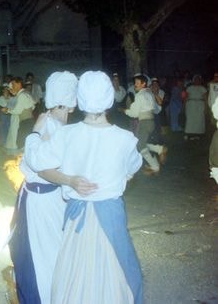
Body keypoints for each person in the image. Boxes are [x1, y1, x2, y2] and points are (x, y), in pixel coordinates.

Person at [34, 71, 143, 303]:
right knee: (116, 273)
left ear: (80, 101)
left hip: (76, 217)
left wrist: (70, 180)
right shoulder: (125, 138)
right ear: (110, 100)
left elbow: (40, 166)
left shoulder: (67, 134)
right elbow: (132, 169)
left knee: (74, 273)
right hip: (110, 215)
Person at [9, 71, 78, 304]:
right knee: (41, 255)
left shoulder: (58, 123)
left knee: (56, 252)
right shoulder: (48, 124)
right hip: (41, 201)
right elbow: (39, 166)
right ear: (71, 101)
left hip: (55, 199)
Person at [123, 74, 167, 175]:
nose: (135, 85)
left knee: (140, 146)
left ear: (144, 84)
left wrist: (125, 111)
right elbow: (156, 109)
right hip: (151, 122)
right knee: (142, 142)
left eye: (138, 83)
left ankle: (155, 166)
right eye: (135, 83)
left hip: (144, 123)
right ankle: (159, 149)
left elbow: (134, 113)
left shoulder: (140, 95)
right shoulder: (150, 94)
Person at [3, 77, 35, 154]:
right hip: (29, 121)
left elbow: (17, 111)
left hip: (25, 122)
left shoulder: (22, 95)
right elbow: (33, 106)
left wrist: (7, 110)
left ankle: (20, 161)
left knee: (21, 143)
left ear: (19, 84)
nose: (12, 86)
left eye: (13, 84)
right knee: (23, 142)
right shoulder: (25, 93)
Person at [184, 74, 207, 140]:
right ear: (193, 80)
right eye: (195, 79)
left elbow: (205, 98)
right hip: (190, 105)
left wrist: (206, 108)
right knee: (190, 119)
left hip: (200, 105)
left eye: (198, 79)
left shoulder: (203, 88)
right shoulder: (189, 88)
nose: (197, 80)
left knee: (199, 119)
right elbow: (186, 97)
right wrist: (184, 105)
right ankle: (189, 134)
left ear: (200, 80)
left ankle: (199, 134)